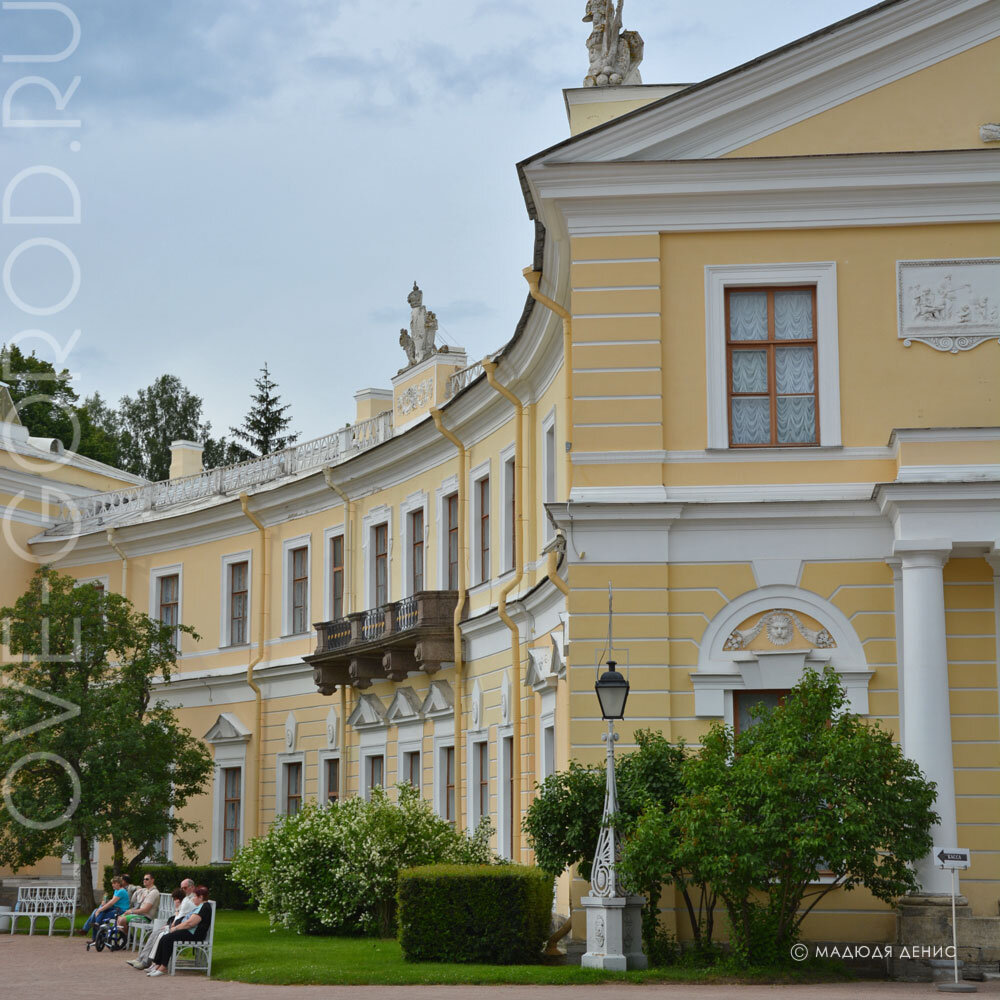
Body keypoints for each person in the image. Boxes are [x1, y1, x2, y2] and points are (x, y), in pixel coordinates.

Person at [126, 880, 195, 971]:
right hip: (178, 924)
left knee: (160, 935)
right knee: (155, 933)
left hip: (183, 927)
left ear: (192, 887)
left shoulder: (192, 898)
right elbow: (178, 914)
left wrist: (172, 924)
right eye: (181, 888)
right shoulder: (184, 898)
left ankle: (146, 962)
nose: (182, 890)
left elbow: (183, 916)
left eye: (185, 888)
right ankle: (141, 959)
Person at [145, 886, 211, 978]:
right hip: (190, 931)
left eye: (195, 896)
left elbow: (190, 923)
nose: (193, 898)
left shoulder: (204, 907)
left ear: (201, 897)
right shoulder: (200, 906)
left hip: (194, 934)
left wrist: (175, 928)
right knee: (165, 937)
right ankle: (158, 964)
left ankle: (162, 967)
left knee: (167, 938)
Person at [83, 875, 129, 944]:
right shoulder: (116, 890)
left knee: (99, 913)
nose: (112, 885)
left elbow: (111, 903)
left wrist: (100, 910)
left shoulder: (121, 891)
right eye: (112, 883)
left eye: (114, 883)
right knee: (98, 909)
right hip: (115, 908)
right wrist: (103, 905)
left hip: (121, 910)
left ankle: (94, 935)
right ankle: (96, 928)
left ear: (118, 883)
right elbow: (112, 901)